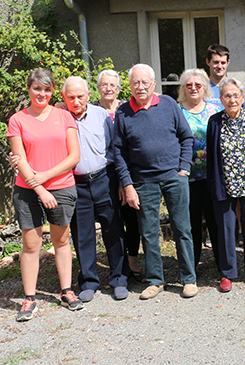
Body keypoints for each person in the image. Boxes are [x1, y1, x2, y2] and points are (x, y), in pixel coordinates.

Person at [113, 63, 198, 300]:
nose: (140, 87)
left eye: (144, 82)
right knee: (149, 232)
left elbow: (186, 137)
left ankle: (188, 279)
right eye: (135, 83)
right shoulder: (122, 112)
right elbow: (118, 152)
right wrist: (128, 184)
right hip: (143, 181)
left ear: (153, 84)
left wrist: (184, 168)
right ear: (129, 86)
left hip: (174, 177)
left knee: (182, 229)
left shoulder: (169, 104)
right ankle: (155, 280)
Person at [8, 69, 83, 321]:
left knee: (62, 241)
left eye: (47, 89)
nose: (42, 94)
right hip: (28, 190)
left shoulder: (63, 117)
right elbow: (20, 159)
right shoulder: (17, 120)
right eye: (37, 89)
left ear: (53, 91)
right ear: (29, 89)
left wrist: (47, 177)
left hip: (62, 186)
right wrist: (39, 187)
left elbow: (74, 156)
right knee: (31, 245)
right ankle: (29, 298)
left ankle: (66, 291)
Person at [58, 77, 129, 303]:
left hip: (104, 178)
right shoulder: (59, 118)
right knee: (83, 234)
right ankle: (89, 281)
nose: (76, 101)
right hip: (75, 182)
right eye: (71, 97)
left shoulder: (101, 116)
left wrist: (119, 182)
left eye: (80, 96)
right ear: (64, 98)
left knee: (114, 230)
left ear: (89, 95)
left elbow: (114, 149)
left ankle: (119, 278)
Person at [208, 78, 245, 291]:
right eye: (227, 96)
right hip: (225, 182)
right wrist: (215, 184)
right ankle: (228, 272)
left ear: (243, 98)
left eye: (236, 95)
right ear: (221, 99)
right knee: (226, 228)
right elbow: (213, 156)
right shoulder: (214, 122)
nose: (232, 99)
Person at [92, 69, 144, 282]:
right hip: (103, 173)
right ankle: (117, 264)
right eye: (104, 85)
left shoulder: (126, 109)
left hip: (128, 170)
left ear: (120, 88)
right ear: (98, 88)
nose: (108, 88)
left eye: (113, 85)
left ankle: (132, 261)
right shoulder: (91, 109)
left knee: (132, 218)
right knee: (112, 219)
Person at [178, 68, 222, 267]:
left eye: (198, 85)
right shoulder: (177, 111)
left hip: (212, 176)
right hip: (187, 177)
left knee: (216, 222)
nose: (194, 88)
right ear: (184, 88)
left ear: (205, 88)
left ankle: (222, 264)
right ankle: (191, 265)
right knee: (191, 223)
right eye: (189, 85)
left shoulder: (215, 110)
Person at [205, 44, 245, 110]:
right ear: (208, 62)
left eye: (223, 63)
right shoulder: (200, 88)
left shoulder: (237, 87)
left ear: (228, 62)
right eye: (216, 62)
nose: (219, 66)